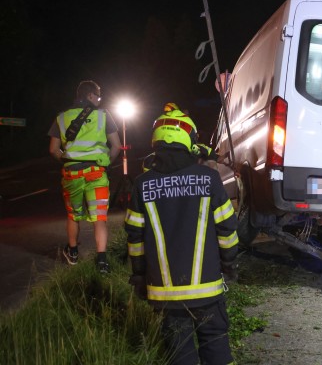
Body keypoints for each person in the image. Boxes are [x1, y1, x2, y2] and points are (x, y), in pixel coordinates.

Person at [125, 107, 239, 365]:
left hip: (165, 295)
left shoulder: (142, 185)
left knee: (179, 354)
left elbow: (135, 238)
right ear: (190, 141)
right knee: (216, 346)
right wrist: (230, 264)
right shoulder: (209, 179)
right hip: (207, 291)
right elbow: (227, 229)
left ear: (156, 142)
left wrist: (139, 275)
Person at [48, 80, 121, 273]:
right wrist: (107, 162)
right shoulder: (104, 116)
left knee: (73, 215)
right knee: (99, 218)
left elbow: (53, 150)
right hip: (97, 173)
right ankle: (102, 262)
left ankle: (72, 253)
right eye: (98, 95)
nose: (99, 99)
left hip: (72, 174)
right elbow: (116, 146)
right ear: (89, 96)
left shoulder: (62, 118)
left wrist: (68, 160)